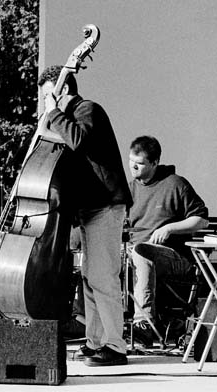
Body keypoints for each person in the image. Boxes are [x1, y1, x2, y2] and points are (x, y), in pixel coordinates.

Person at [39, 65, 132, 366]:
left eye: (46, 96)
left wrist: (53, 113)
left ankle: (115, 346)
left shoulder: (87, 109)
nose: (44, 103)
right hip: (89, 208)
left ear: (62, 90)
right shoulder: (66, 119)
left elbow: (78, 140)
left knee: (103, 277)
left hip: (106, 204)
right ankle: (95, 342)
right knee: (90, 277)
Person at [127, 135, 209, 347]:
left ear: (154, 163)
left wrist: (170, 228)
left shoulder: (175, 184)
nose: (133, 167)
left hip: (175, 258)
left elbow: (201, 220)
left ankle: (143, 325)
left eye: (140, 163)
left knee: (141, 250)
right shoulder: (130, 188)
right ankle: (87, 322)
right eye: (130, 161)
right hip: (135, 252)